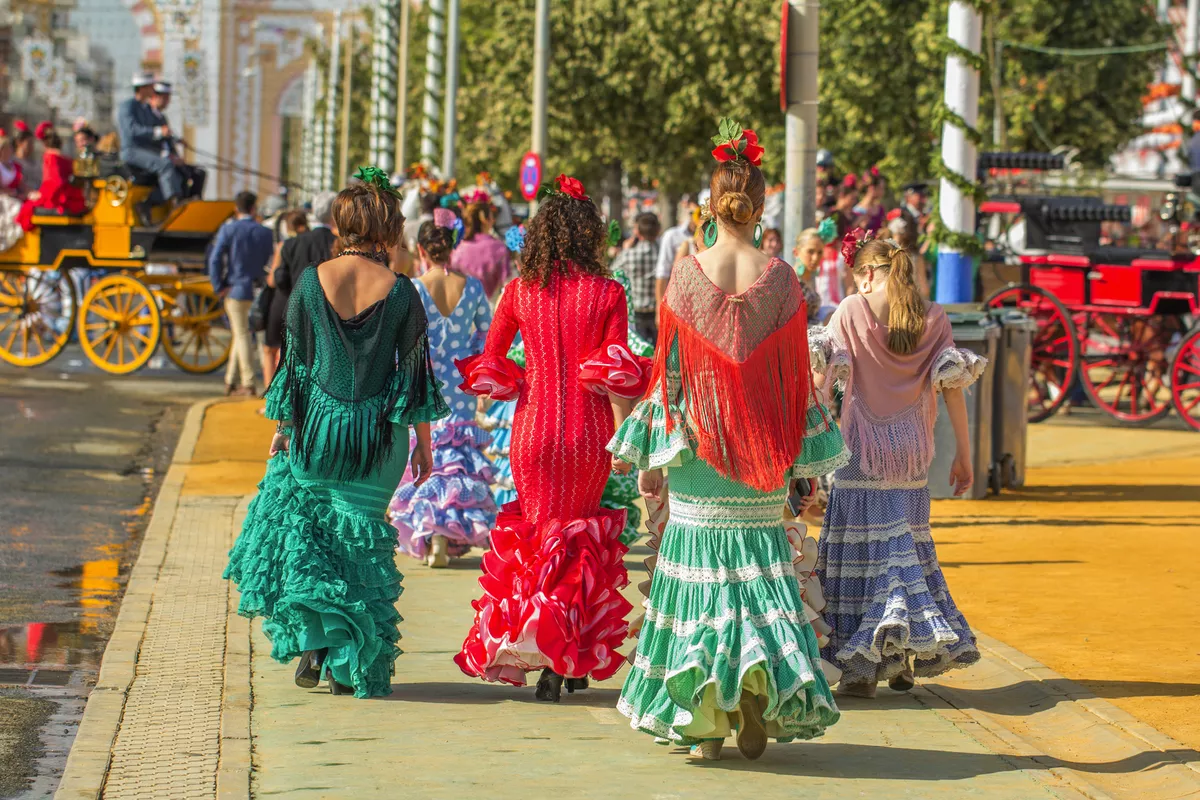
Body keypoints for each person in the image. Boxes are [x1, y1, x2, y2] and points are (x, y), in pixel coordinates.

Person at [610, 120, 844, 761]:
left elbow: (669, 376)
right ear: (761, 208)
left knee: (701, 585)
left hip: (697, 451)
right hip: (762, 454)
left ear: (710, 207)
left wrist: (652, 461)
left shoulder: (686, 277)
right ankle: (755, 690)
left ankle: (705, 724)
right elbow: (796, 382)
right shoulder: (784, 279)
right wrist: (802, 464)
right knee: (756, 578)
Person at [224, 171, 448, 698]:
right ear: (385, 228)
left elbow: (295, 366)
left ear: (342, 223)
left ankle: (316, 642)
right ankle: (348, 665)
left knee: (314, 539)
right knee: (359, 549)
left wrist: (284, 428)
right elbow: (415, 375)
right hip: (378, 439)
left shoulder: (310, 281)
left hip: (318, 431)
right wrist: (424, 445)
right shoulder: (403, 292)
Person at [454, 173, 649, 701]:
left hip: (533, 429)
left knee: (541, 541)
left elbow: (492, 358)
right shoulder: (609, 292)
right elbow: (616, 374)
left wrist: (522, 378)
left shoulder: (519, 291)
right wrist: (628, 439)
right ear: (591, 236)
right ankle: (567, 660)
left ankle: (544, 654)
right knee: (579, 543)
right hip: (589, 432)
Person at [815, 231, 986, 699]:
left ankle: (863, 668)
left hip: (861, 451)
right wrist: (964, 454)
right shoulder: (934, 317)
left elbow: (821, 380)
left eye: (858, 275)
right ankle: (900, 654)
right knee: (904, 548)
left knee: (861, 555)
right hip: (912, 454)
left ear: (870, 274)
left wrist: (805, 447)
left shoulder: (851, 310)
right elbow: (953, 390)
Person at [390, 220, 497, 566]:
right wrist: (479, 375)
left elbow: (403, 341)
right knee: (456, 458)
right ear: (452, 247)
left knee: (427, 451)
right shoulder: (473, 287)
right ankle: (447, 532)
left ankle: (432, 532)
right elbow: (487, 336)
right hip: (462, 384)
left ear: (421, 249)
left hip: (425, 383)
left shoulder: (413, 288)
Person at [207, 191, 274, 396]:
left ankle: (248, 382)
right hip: (259, 289)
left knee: (242, 334)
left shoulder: (229, 229)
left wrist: (218, 286)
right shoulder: (265, 232)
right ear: (254, 209)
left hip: (235, 288)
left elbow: (215, 259)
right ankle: (231, 380)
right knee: (247, 335)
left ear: (236, 209)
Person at [266, 192, 337, 380]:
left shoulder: (292, 243)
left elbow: (280, 277)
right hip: (328, 312)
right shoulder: (338, 244)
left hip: (296, 308)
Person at [118, 72, 183, 217]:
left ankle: (155, 202)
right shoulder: (128, 106)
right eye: (151, 87)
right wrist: (158, 131)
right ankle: (174, 203)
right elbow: (132, 130)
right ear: (142, 88)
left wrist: (173, 139)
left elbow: (156, 132)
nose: (153, 90)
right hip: (132, 151)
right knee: (165, 165)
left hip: (147, 151)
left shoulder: (146, 109)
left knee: (178, 170)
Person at [262, 209, 309, 388]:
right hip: (306, 303)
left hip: (283, 301)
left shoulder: (285, 245)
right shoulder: (316, 242)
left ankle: (270, 393)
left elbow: (272, 280)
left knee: (270, 349)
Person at [16, 123, 87, 232]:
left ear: (44, 143)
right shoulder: (65, 158)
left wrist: (40, 195)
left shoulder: (49, 157)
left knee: (26, 209)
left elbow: (53, 183)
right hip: (68, 195)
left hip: (57, 197)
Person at [610, 211, 660, 343]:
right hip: (658, 311)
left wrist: (624, 250)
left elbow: (612, 273)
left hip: (636, 310)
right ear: (657, 230)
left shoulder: (629, 254)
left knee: (640, 352)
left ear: (637, 232)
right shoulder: (663, 253)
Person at [151, 81, 206, 199]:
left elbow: (168, 137)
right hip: (158, 159)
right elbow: (151, 141)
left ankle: (194, 200)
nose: (167, 102)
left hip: (169, 157)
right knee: (183, 175)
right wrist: (170, 157)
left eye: (168, 98)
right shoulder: (149, 116)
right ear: (155, 97)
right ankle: (181, 202)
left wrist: (178, 141)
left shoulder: (161, 117)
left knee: (199, 173)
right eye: (165, 98)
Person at [451, 190, 511, 299]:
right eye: (491, 217)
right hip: (491, 305)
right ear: (485, 220)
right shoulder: (498, 248)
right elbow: (507, 286)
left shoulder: (458, 249)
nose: (493, 220)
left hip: (462, 305)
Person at [653, 203, 698, 311]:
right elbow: (663, 272)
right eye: (694, 213)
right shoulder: (672, 235)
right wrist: (660, 308)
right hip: (679, 302)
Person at [11, 121, 40, 190]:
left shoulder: (34, 163)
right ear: (19, 142)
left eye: (33, 143)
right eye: (29, 143)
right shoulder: (11, 162)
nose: (32, 146)